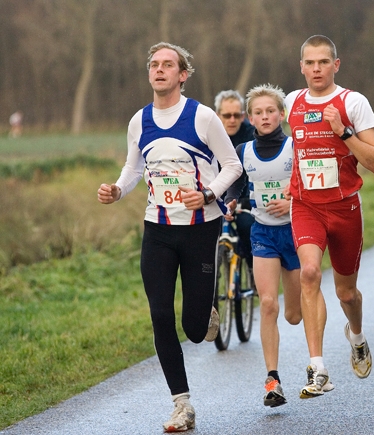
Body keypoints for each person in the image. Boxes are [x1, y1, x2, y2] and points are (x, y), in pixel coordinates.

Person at [97, 42, 242, 432]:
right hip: (157, 230)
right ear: (149, 74)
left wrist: (210, 193)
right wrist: (116, 189)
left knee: (195, 331)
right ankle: (182, 404)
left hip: (199, 228)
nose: (159, 70)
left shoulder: (203, 117)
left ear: (183, 74)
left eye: (168, 65)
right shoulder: (138, 121)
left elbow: (233, 165)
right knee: (160, 314)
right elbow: (133, 168)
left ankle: (205, 309)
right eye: (154, 65)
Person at [283, 35, 374, 398]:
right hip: (306, 206)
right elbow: (264, 132)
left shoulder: (352, 102)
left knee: (346, 292)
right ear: (301, 67)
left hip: (344, 209)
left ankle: (356, 336)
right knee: (309, 272)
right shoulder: (292, 101)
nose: (316, 69)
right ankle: (318, 368)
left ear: (335, 65)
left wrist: (342, 131)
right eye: (309, 63)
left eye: (323, 62)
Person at [225, 84, 302, 408]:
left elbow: (309, 186)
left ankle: (302, 328)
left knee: (294, 315)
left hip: (297, 234)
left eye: (270, 111)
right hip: (263, 234)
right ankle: (273, 379)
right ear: (250, 118)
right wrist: (229, 202)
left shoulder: (295, 148)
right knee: (268, 304)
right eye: (258, 112)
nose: (265, 116)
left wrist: (292, 201)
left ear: (281, 114)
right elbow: (235, 186)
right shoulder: (242, 151)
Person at [214, 90, 256, 268]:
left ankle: (252, 266)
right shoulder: (209, 133)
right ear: (218, 115)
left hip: (244, 196)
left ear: (243, 116)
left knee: (248, 227)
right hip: (217, 195)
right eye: (227, 115)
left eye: (236, 115)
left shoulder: (252, 134)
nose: (232, 120)